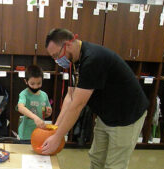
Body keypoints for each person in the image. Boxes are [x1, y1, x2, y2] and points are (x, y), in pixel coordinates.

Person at [42, 28, 149, 169]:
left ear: (68, 44)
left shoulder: (93, 59)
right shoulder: (74, 59)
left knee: (114, 165)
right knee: (97, 157)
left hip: (126, 117)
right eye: (53, 57)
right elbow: (70, 96)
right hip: (106, 115)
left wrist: (58, 137)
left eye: (57, 55)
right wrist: (56, 128)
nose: (57, 60)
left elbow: (78, 105)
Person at [17, 65, 52, 143]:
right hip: (26, 134)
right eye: (32, 84)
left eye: (39, 83)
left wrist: (48, 113)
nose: (36, 86)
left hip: (40, 133)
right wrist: (35, 118)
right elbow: (20, 107)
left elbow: (45, 114)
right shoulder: (24, 94)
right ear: (26, 81)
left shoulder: (44, 95)